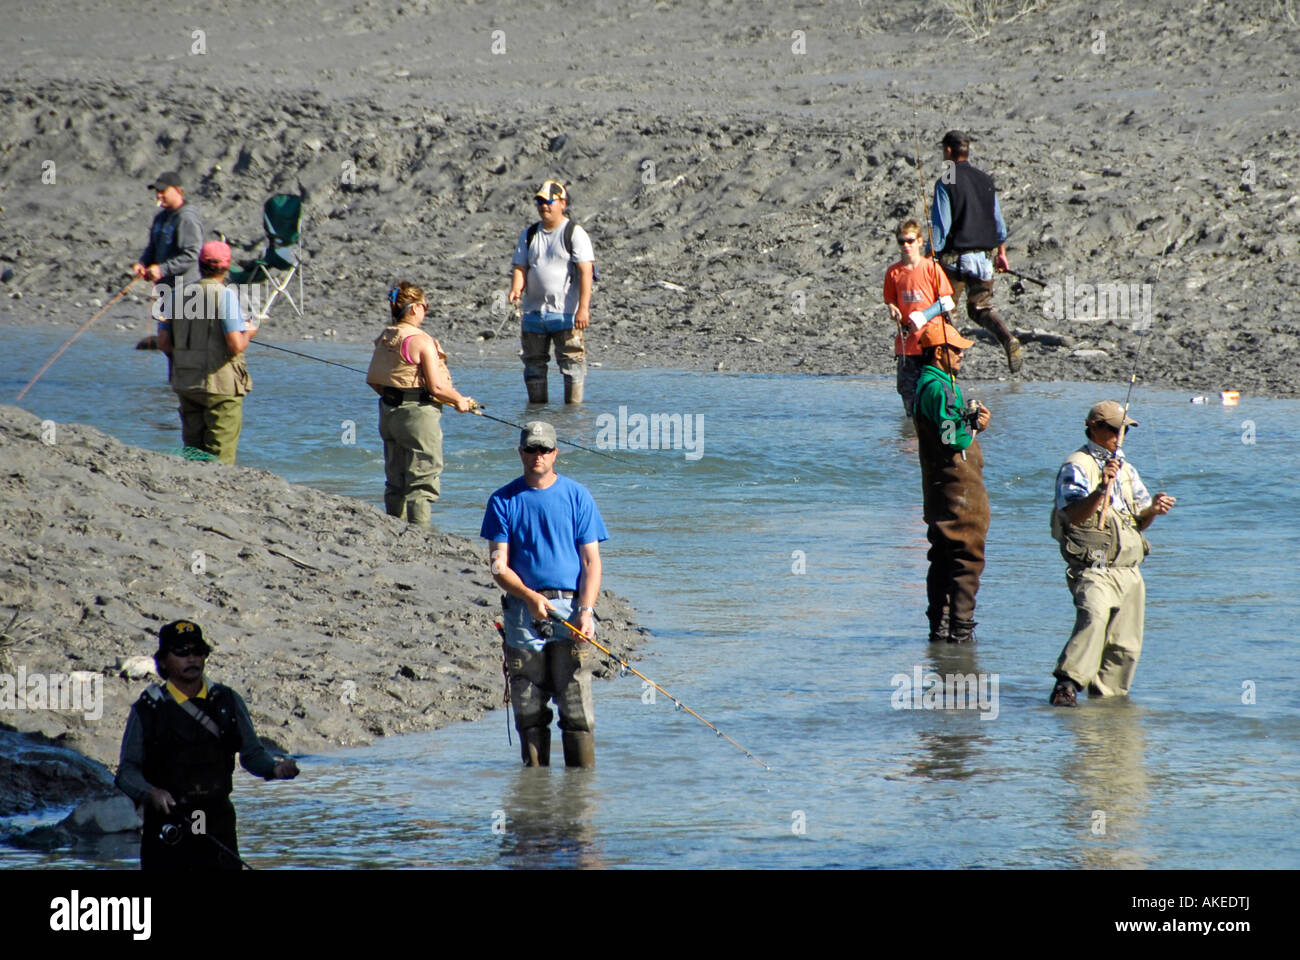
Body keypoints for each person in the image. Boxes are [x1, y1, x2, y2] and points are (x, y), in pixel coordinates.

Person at [115, 620, 299, 871]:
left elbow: (252, 754)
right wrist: (151, 793)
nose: (191, 658)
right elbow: (126, 773)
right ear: (163, 662)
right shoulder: (148, 709)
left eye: (197, 651)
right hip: (168, 824)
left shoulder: (227, 701)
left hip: (217, 821)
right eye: (181, 652)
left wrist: (274, 769)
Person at [481, 421, 609, 767]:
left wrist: (586, 610)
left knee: (576, 705)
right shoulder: (502, 500)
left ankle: (579, 803)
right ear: (520, 452)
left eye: (545, 449)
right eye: (531, 449)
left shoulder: (578, 495)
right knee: (529, 706)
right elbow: (498, 567)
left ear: (556, 453)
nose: (538, 455)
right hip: (523, 612)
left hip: (571, 608)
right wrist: (529, 596)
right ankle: (533, 800)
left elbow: (591, 562)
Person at [1049, 402, 1176, 706]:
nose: (1121, 436)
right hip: (1094, 569)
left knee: (1124, 647)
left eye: (1125, 430)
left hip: (1129, 571)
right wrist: (1101, 489)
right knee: (1093, 618)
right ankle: (1066, 685)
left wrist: (1153, 511)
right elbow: (1074, 515)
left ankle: (1108, 717)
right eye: (1114, 429)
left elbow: (1138, 522)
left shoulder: (1127, 469)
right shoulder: (1077, 465)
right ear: (1093, 427)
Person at [365, 282, 475, 526]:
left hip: (388, 412)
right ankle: (420, 535)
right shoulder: (421, 340)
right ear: (414, 308)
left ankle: (393, 525)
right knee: (422, 480)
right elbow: (436, 388)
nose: (425, 311)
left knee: (396, 478)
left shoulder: (386, 337)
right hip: (418, 416)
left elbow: (373, 380)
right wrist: (459, 400)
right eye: (425, 306)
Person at [913, 321, 991, 644]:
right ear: (939, 352)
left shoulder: (930, 384)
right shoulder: (940, 387)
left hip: (938, 490)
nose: (961, 354)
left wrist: (967, 419)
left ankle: (940, 633)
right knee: (966, 557)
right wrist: (976, 427)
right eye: (956, 349)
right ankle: (960, 636)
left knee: (943, 557)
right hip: (957, 489)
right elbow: (952, 438)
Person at [930, 131, 1024, 374]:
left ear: (948, 151)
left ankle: (950, 364)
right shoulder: (985, 179)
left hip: (956, 261)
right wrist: (1001, 253)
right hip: (985, 260)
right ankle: (1008, 339)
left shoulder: (946, 178)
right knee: (980, 307)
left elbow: (942, 227)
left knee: (944, 310)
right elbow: (998, 223)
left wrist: (931, 254)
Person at [157, 240, 256, 463]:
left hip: (186, 381)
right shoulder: (226, 296)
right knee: (219, 456)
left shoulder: (175, 295)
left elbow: (164, 343)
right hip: (221, 385)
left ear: (200, 265)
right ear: (227, 266)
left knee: (193, 450)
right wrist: (250, 331)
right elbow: (235, 345)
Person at [508, 180, 595, 405]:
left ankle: (573, 415)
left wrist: (583, 309)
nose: (543, 206)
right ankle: (537, 415)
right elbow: (521, 266)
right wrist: (516, 288)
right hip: (534, 314)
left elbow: (586, 272)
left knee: (572, 364)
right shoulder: (529, 234)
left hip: (566, 315)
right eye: (539, 201)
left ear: (562, 203)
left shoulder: (574, 233)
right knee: (533, 365)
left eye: (548, 201)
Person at [883, 218, 955, 415]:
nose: (906, 245)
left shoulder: (931, 268)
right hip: (907, 346)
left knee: (937, 394)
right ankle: (912, 440)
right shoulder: (893, 273)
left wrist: (923, 316)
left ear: (920, 241)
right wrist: (892, 307)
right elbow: (890, 300)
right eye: (901, 241)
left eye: (910, 241)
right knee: (909, 398)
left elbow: (948, 302)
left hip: (933, 343)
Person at [133, 170, 204, 319]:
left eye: (163, 191)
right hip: (165, 290)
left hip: (186, 289)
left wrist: (162, 269)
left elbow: (192, 255)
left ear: (179, 191)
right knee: (165, 337)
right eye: (157, 191)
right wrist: (143, 263)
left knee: (179, 339)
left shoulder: (187, 218)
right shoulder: (160, 218)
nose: (159, 195)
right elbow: (152, 247)